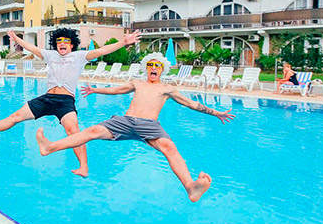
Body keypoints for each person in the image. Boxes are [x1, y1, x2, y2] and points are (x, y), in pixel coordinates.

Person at [35, 52, 235, 202]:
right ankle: (50, 147)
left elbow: (191, 104)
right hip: (126, 121)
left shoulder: (167, 88)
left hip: (149, 126)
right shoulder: (137, 83)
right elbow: (117, 90)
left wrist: (215, 113)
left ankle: (191, 187)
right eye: (150, 65)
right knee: (92, 131)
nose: (153, 68)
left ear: (162, 69)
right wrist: (96, 90)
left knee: (170, 148)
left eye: (157, 65)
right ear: (146, 68)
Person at [0, 28, 141, 178]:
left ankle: (83, 167)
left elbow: (102, 51)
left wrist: (124, 42)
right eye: (58, 42)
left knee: (74, 131)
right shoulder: (50, 55)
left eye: (65, 42)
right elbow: (31, 47)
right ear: (55, 44)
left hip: (65, 101)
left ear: (72, 44)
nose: (62, 44)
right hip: (47, 98)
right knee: (15, 116)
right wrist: (16, 39)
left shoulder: (80, 56)